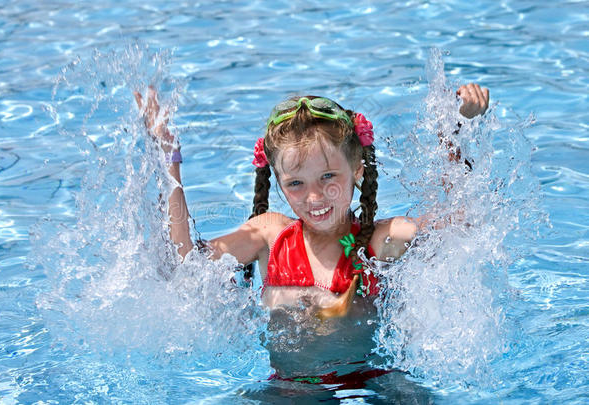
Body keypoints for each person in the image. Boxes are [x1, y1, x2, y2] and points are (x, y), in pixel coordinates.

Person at [134, 83, 489, 319]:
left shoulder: (380, 242)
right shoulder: (271, 236)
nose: (314, 197)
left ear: (357, 170)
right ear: (278, 182)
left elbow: (463, 224)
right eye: (296, 184)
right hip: (290, 390)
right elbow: (185, 265)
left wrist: (452, 133)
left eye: (328, 177)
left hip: (375, 382)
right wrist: (170, 161)